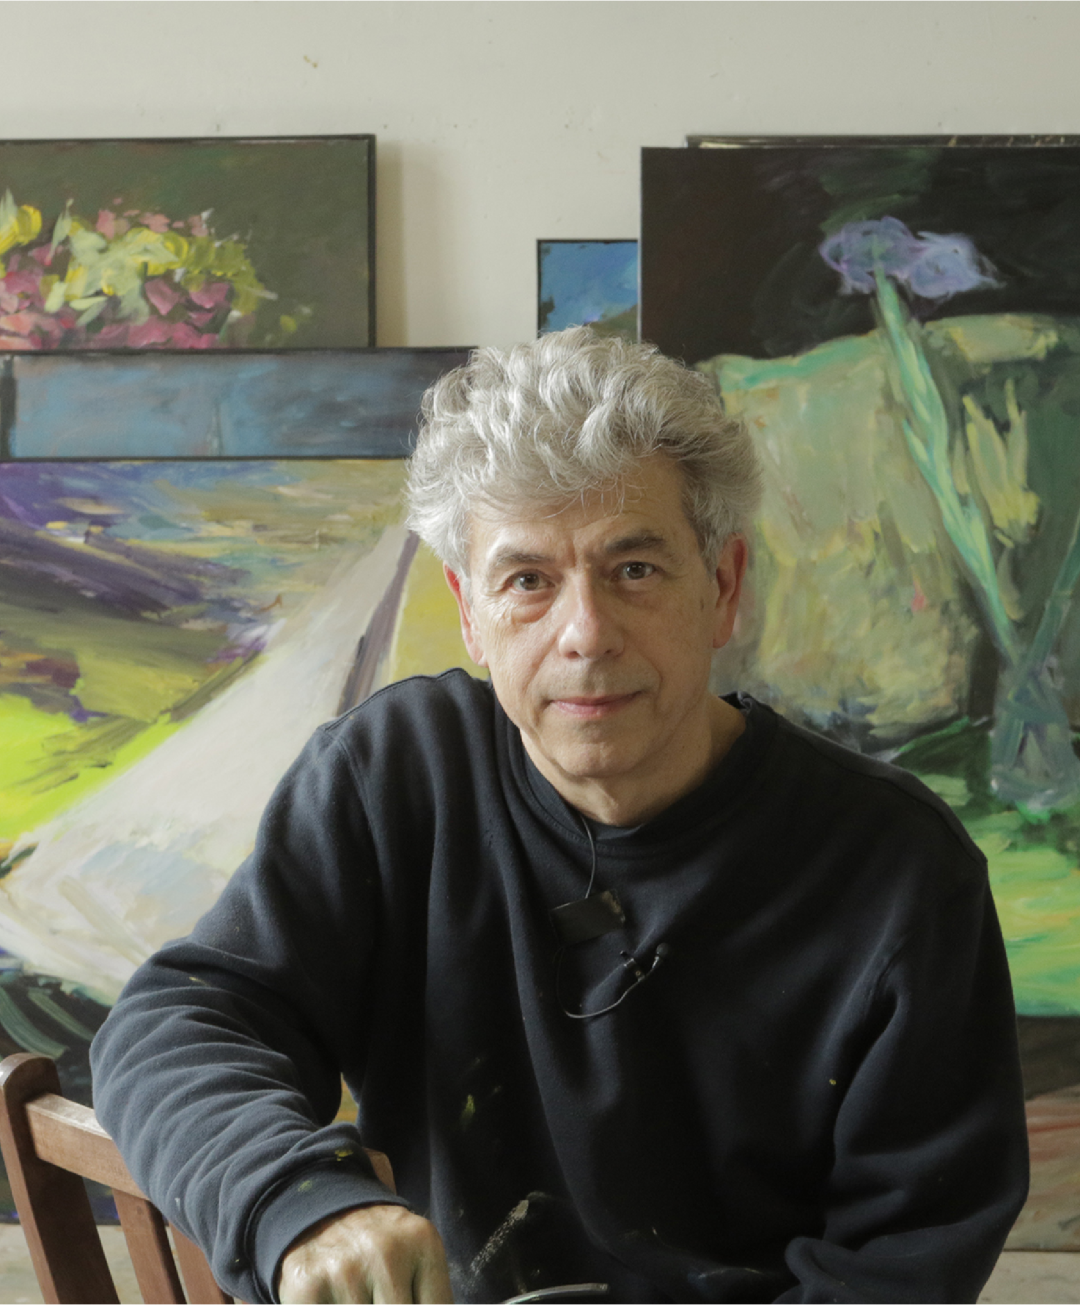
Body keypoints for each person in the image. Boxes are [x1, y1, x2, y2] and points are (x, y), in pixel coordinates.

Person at [91, 327, 1029, 1305]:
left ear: (722, 588)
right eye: (528, 580)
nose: (585, 634)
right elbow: (179, 1024)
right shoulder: (395, 777)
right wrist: (299, 1201)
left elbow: (899, 1264)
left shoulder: (899, 871)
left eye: (635, 569)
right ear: (470, 612)